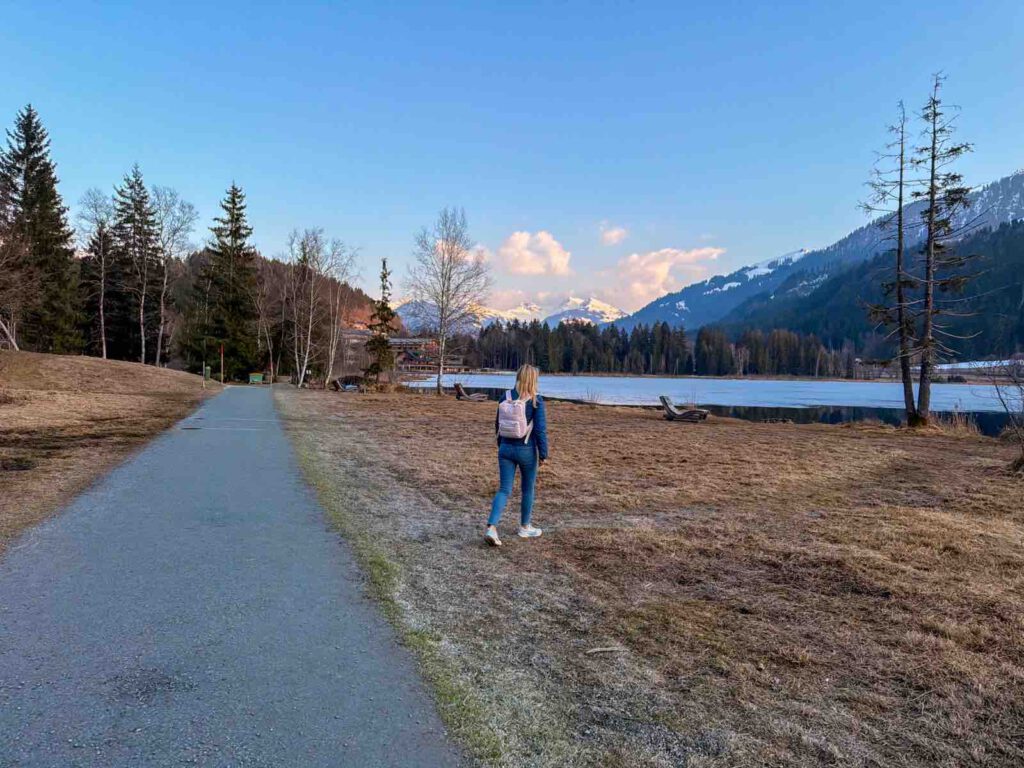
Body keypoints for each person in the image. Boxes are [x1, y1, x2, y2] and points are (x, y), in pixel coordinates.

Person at [485, 364, 548, 546]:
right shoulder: (536, 401)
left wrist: (501, 446)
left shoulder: (504, 397)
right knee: (527, 489)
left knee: (504, 489)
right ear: (533, 379)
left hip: (505, 448)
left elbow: (498, 424)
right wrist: (543, 454)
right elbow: (540, 430)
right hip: (526, 450)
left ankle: (492, 527)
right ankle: (524, 527)